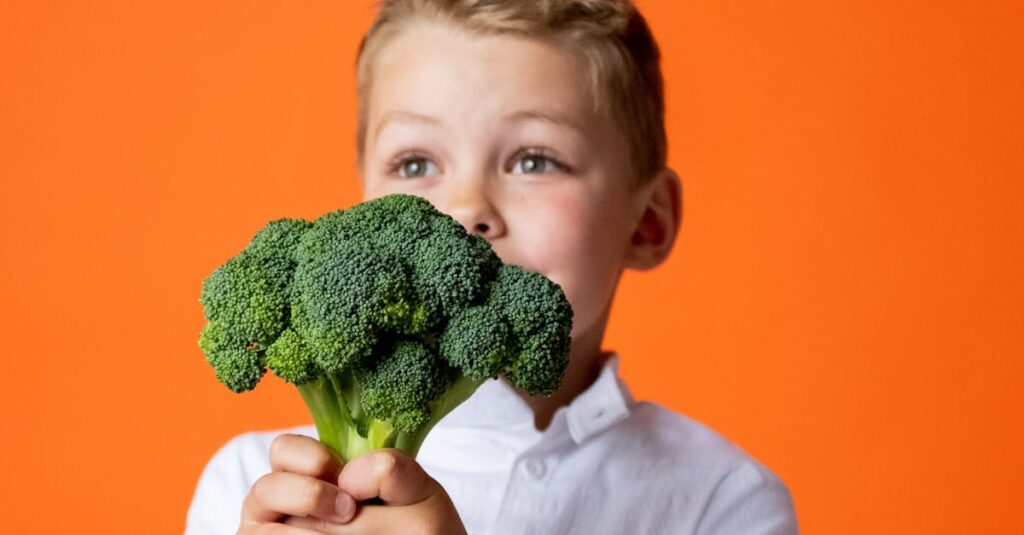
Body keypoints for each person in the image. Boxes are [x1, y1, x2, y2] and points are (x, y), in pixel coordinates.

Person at [186, 1, 799, 533]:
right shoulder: (248, 488)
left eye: (534, 161)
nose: (464, 209)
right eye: (416, 163)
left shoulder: (722, 501)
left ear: (648, 222)